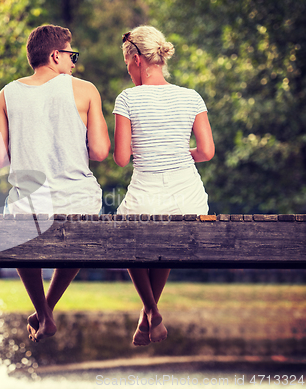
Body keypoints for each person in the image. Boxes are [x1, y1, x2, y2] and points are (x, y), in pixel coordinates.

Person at [0, 25, 110, 342]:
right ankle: (47, 310)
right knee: (80, 233)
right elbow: (99, 151)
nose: (74, 62)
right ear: (55, 55)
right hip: (79, 201)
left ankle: (44, 312)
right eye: (72, 55)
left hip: (28, 206)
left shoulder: (7, 94)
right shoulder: (86, 90)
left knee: (17, 228)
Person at [113, 25, 214, 346]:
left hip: (147, 197)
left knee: (123, 235)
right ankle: (149, 317)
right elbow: (207, 152)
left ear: (138, 59)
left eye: (128, 63)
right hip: (190, 199)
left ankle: (150, 311)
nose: (128, 70)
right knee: (168, 238)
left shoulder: (128, 98)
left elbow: (120, 158)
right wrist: (180, 152)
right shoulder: (191, 97)